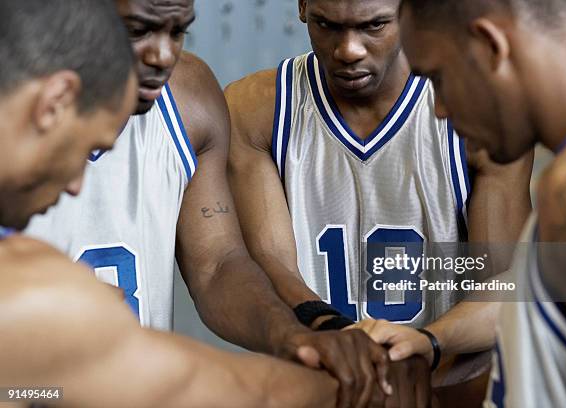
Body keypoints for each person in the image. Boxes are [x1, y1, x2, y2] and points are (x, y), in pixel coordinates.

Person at [24, 0, 408, 405]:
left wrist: (293, 335)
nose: (162, 55)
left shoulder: (188, 101)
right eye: (138, 31)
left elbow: (218, 264)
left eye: (177, 31)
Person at [225, 0, 532, 385]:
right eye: (327, 25)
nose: (348, 50)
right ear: (302, 6)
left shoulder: (483, 109)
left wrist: (421, 359)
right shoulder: (256, 110)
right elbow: (271, 265)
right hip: (323, 379)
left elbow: (502, 288)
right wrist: (340, 344)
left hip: (446, 382)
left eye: (374, 26)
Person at [398, 0, 566, 406]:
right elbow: (556, 287)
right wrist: (431, 341)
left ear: (490, 44)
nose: (440, 110)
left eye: (438, 78)